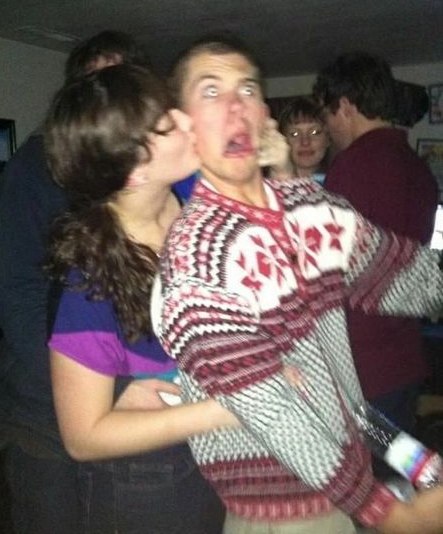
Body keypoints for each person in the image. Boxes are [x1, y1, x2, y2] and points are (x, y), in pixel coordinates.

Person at [152, 35, 443, 534]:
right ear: (185, 127)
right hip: (281, 509)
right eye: (211, 92)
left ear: (265, 112)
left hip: (350, 473)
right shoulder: (195, 250)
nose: (235, 105)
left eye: (246, 88)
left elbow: (407, 276)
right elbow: (272, 409)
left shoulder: (313, 211)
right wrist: (391, 514)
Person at [0, 30, 157, 534]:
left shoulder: (138, 172)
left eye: (118, 83)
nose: (106, 97)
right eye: (95, 82)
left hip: (123, 401)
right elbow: (14, 292)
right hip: (45, 410)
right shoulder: (35, 167)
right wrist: (87, 380)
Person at [45, 64, 236, 533]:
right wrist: (223, 410)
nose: (187, 120)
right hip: (147, 484)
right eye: (169, 123)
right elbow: (83, 437)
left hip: (214, 460)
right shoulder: (90, 278)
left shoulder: (195, 198)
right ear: (133, 171)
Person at [313, 52, 439, 433]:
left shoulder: (351, 167)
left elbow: (326, 271)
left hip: (361, 365)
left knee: (363, 485)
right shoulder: (420, 170)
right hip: (405, 355)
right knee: (396, 477)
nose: (329, 129)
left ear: (346, 107)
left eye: (327, 117)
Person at [277, 96, 330, 182]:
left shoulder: (343, 183)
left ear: (328, 138)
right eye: (295, 134)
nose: (305, 142)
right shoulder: (265, 189)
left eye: (314, 132)